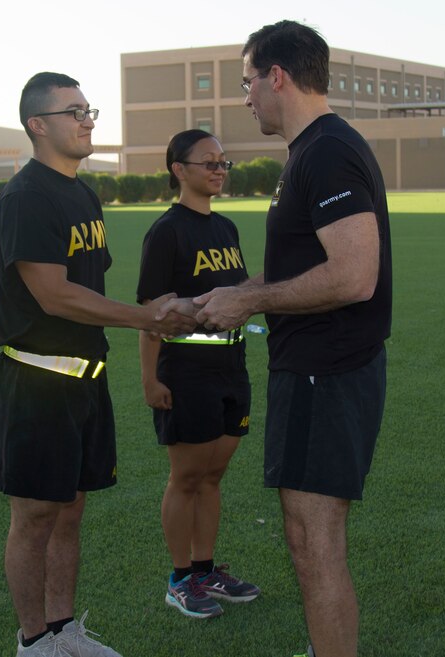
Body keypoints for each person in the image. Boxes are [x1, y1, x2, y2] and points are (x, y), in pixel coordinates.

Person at [161, 20, 392, 657]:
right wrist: (228, 296)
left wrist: (251, 299)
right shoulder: (312, 152)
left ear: (278, 76)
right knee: (306, 538)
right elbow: (303, 266)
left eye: (247, 82)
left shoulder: (327, 151)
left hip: (329, 373)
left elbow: (353, 275)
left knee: (315, 545)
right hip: (316, 371)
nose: (245, 97)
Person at [0, 72, 196, 657]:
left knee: (71, 513)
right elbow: (55, 295)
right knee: (34, 519)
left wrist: (156, 308)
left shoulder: (81, 192)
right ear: (38, 124)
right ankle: (34, 643)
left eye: (89, 109)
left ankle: (64, 631)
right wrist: (144, 317)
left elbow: (89, 283)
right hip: (34, 381)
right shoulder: (27, 196)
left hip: (85, 379)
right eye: (74, 111)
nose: (88, 120)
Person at [136, 129, 260, 620]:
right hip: (185, 372)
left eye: (223, 162)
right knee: (186, 477)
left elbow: (238, 295)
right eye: (208, 162)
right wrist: (150, 380)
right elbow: (151, 314)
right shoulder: (166, 231)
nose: (218, 169)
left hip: (232, 367)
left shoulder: (226, 228)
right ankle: (180, 578)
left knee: (213, 477)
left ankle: (206, 570)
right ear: (178, 170)